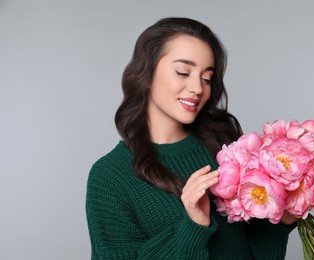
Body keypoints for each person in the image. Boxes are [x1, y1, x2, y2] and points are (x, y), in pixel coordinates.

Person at [86, 17, 296, 259]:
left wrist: (282, 219)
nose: (198, 88)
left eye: (207, 78)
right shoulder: (110, 176)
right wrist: (193, 227)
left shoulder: (226, 150)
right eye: (183, 72)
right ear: (146, 74)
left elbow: (257, 253)